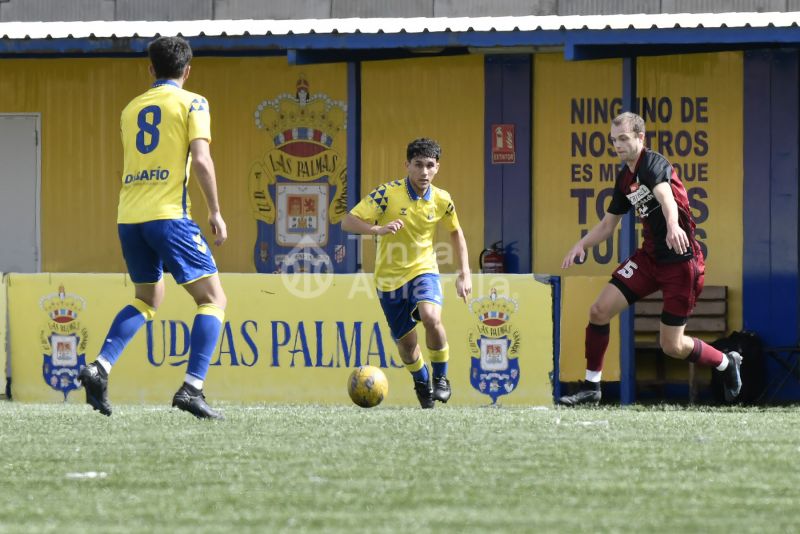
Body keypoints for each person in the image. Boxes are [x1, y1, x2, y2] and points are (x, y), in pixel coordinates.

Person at [78, 36, 227, 419]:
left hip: (129, 217)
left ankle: (99, 367)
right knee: (212, 299)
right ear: (188, 70)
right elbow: (202, 160)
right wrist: (215, 211)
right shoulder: (194, 102)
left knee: (147, 298)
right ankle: (192, 388)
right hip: (169, 215)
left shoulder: (131, 109)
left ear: (150, 69)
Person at [558, 111, 741, 406]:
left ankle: (725, 362)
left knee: (672, 345)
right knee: (598, 311)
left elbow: (665, 195)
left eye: (623, 139)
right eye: (613, 140)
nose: (617, 145)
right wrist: (582, 244)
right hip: (650, 258)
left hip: (681, 263)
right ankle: (592, 387)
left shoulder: (653, 163)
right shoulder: (624, 178)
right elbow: (608, 226)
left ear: (640, 138)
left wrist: (672, 225)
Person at [342, 138, 472, 408]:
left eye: (430, 166)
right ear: (407, 165)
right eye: (418, 165)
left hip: (424, 270)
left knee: (430, 317)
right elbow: (348, 220)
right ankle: (422, 381)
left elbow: (455, 232)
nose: (424, 172)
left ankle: (441, 379)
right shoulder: (387, 194)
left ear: (437, 168)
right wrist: (376, 230)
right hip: (389, 279)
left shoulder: (442, 199)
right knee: (407, 342)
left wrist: (465, 273)